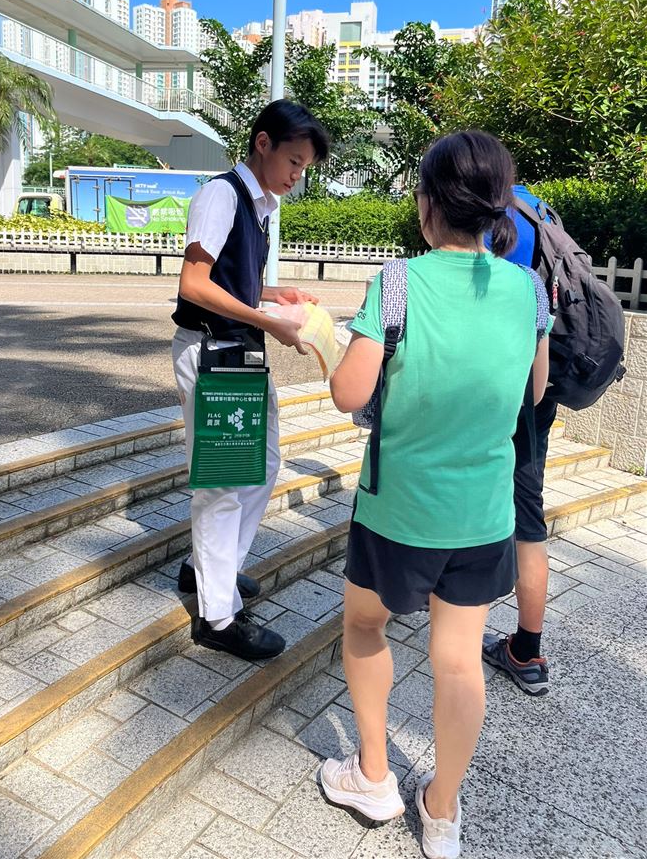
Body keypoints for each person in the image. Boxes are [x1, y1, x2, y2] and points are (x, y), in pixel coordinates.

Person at [320, 131, 551, 859]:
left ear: (427, 205)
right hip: (483, 513)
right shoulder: (528, 288)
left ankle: (374, 775)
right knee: (457, 661)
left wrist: (323, 337)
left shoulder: (396, 282)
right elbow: (535, 391)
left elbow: (347, 393)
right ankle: (442, 811)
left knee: (364, 627)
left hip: (398, 510)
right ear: (494, 209)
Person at [171, 99, 329, 661]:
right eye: (293, 161)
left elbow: (231, 281)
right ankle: (217, 617)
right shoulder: (221, 195)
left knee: (260, 465)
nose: (296, 175)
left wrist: (272, 294)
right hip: (214, 351)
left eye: (305, 167)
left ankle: (211, 570)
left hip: (238, 352)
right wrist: (270, 321)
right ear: (262, 143)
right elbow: (194, 284)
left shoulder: (257, 206)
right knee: (220, 485)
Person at [481, 185, 557, 696]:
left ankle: (442, 600)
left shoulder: (484, 210)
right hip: (532, 399)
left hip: (486, 387)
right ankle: (526, 651)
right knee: (529, 521)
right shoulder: (539, 209)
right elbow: (539, 381)